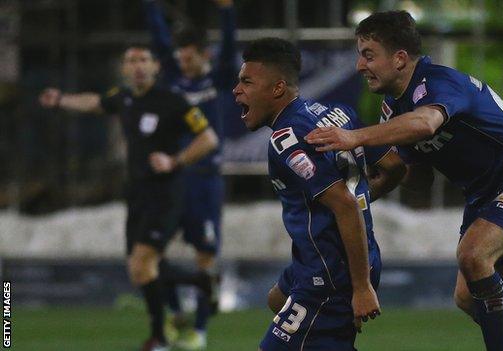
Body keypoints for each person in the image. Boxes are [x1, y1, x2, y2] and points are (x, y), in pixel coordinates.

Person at [305, 11, 503, 351]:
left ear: (399, 59)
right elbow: (416, 176)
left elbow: (425, 124)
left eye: (368, 55)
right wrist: (357, 195)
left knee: (473, 256)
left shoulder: (439, 82)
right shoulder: (393, 108)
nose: (359, 66)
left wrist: (354, 137)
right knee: (468, 299)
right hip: (484, 192)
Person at [39, 44, 219, 351]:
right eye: (131, 61)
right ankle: (200, 281)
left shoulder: (172, 101)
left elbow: (209, 138)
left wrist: (175, 161)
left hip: (165, 193)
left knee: (141, 265)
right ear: (124, 69)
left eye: (143, 60)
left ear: (156, 67)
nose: (137, 66)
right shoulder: (123, 98)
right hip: (136, 194)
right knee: (141, 271)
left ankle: (159, 338)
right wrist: (60, 100)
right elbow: (95, 103)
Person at [232, 37, 405, 351]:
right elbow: (393, 166)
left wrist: (360, 288)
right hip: (320, 260)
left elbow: (345, 206)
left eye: (246, 81)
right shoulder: (336, 112)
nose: (236, 90)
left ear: (277, 89)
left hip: (330, 271)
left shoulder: (287, 140)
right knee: (277, 299)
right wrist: (364, 197)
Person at [141, 0, 236, 348]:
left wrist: (227, 12)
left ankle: (199, 331)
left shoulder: (218, 77)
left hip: (205, 180)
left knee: (206, 256)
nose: (182, 60)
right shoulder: (172, 77)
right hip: (172, 178)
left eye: (189, 55)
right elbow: (160, 39)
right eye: (180, 56)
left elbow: (228, 50)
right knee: (152, 251)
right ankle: (174, 311)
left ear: (203, 55)